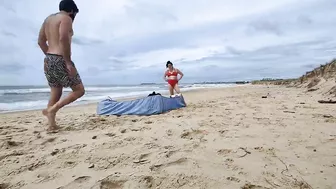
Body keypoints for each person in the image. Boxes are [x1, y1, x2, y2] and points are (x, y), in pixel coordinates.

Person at [37, 0, 85, 132]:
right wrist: (67, 61)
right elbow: (63, 38)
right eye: (74, 14)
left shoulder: (47, 20)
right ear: (71, 10)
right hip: (61, 58)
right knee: (79, 90)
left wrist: (49, 56)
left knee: (56, 90)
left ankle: (51, 124)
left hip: (48, 59)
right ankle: (52, 109)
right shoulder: (66, 18)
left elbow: (41, 41)